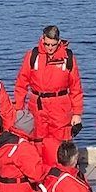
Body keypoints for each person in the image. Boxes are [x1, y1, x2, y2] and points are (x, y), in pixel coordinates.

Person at [14, 25, 83, 167]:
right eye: (47, 44)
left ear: (58, 42)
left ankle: (58, 172)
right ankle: (40, 172)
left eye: (53, 44)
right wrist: (18, 109)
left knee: (60, 142)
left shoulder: (67, 57)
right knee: (36, 140)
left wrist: (77, 113)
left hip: (60, 106)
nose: (49, 48)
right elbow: (21, 84)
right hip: (37, 105)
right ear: (42, 40)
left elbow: (76, 87)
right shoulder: (33, 56)